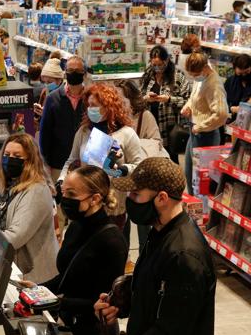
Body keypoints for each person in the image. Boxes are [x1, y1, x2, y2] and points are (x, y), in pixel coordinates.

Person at [95, 157, 216, 335]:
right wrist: (120, 302)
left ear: (162, 198)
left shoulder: (185, 256)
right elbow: (157, 288)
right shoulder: (160, 230)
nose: (130, 200)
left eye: (136, 194)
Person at [22, 166, 127, 335]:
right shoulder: (76, 225)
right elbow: (68, 276)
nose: (65, 199)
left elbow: (102, 302)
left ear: (95, 198)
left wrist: (53, 302)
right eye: (63, 192)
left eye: (71, 193)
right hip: (70, 323)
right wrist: (38, 289)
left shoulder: (111, 241)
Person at [58, 83, 144, 229]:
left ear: (109, 107)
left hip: (113, 206)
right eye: (89, 105)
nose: (91, 109)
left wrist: (122, 169)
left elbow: (140, 166)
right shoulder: (84, 132)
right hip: (84, 204)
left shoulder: (126, 134)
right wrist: (62, 180)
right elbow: (71, 160)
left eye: (95, 105)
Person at [0, 133, 59, 283]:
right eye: (6, 155)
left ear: (30, 161)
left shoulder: (36, 190)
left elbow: (15, 237)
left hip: (34, 276)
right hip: (11, 267)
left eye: (17, 156)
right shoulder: (8, 184)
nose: (10, 160)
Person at [117, 79, 166, 254]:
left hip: (143, 178)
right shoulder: (114, 118)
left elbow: (156, 143)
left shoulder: (145, 116)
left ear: (131, 99)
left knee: (143, 219)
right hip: (122, 177)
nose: (117, 101)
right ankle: (124, 254)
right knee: (122, 217)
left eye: (121, 98)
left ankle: (147, 255)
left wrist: (133, 144)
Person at [181, 52, 229, 195]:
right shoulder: (201, 78)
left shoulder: (214, 84)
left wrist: (201, 127)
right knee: (190, 173)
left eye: (195, 75)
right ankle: (193, 207)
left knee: (200, 180)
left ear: (204, 68)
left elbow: (222, 114)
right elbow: (194, 97)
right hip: (195, 131)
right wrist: (188, 107)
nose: (194, 78)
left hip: (205, 134)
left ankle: (200, 212)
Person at [39, 56, 86, 192]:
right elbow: (45, 133)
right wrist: (46, 162)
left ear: (84, 73)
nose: (74, 73)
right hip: (58, 163)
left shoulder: (91, 97)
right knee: (60, 200)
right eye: (71, 70)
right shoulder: (52, 99)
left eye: (78, 70)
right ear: (65, 72)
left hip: (85, 163)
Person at [140, 45, 191, 164]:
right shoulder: (148, 75)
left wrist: (169, 99)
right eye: (154, 65)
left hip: (170, 128)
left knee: (170, 159)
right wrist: (146, 98)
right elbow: (138, 99)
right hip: (151, 126)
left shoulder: (177, 77)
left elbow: (188, 102)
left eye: (160, 64)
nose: (157, 68)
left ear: (166, 61)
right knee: (151, 158)